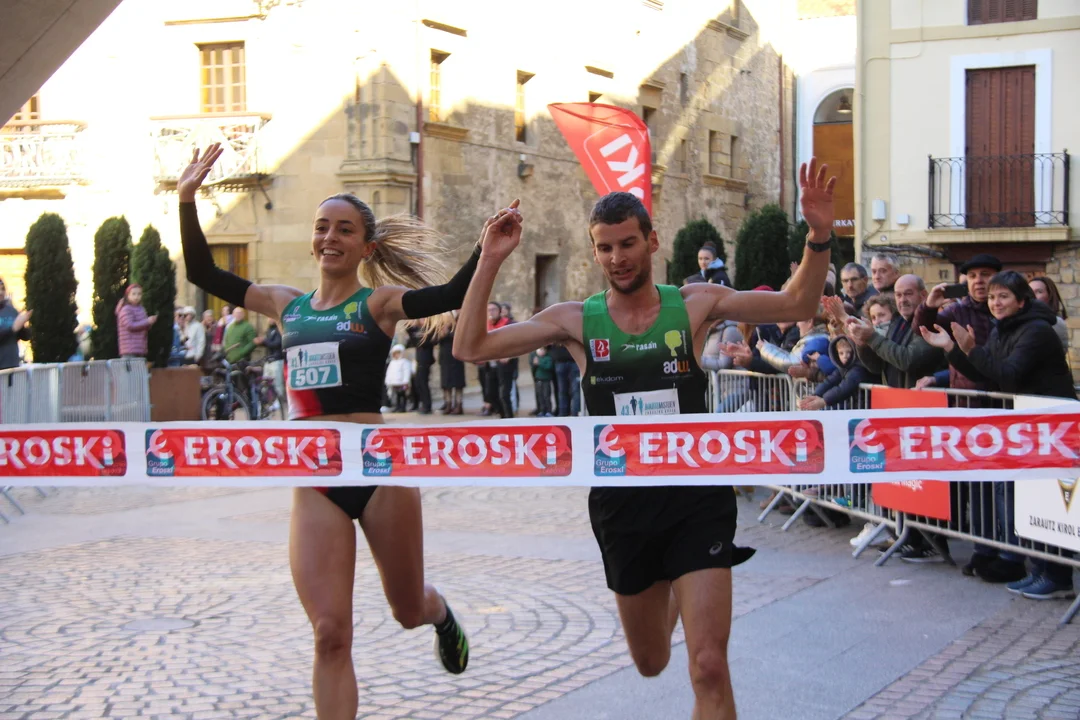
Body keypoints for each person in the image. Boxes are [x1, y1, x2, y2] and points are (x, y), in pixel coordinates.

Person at [454, 159, 836, 719]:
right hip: (623, 507)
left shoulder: (695, 303)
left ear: (651, 241)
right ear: (595, 252)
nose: (618, 257)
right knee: (652, 661)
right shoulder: (574, 320)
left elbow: (797, 305)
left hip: (695, 499)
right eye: (605, 248)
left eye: (628, 243)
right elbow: (470, 347)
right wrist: (488, 258)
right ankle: (674, 585)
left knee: (709, 665)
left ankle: (688, 577)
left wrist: (818, 234)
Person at [178, 143, 479, 718]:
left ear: (366, 247)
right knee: (329, 633)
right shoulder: (285, 306)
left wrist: (486, 249)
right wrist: (188, 200)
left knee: (406, 610)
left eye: (344, 229)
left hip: (380, 472)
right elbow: (201, 271)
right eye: (322, 227)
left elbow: (449, 297)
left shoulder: (378, 304)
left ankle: (438, 613)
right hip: (316, 478)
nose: (329, 237)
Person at [921, 271, 1077, 598]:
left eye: (1003, 296)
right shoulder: (1003, 327)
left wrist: (971, 348)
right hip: (1028, 427)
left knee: (1049, 502)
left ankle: (1057, 575)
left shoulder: (1037, 330)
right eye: (992, 297)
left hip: (1050, 428)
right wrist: (952, 349)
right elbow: (984, 376)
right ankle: (1042, 569)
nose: (995, 303)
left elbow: (1008, 375)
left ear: (1021, 301)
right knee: (1031, 501)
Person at [914, 253, 1001, 392]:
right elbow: (923, 329)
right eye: (972, 276)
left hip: (1006, 393)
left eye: (985, 274)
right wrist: (928, 307)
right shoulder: (956, 311)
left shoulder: (1009, 309)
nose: (978, 280)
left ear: (999, 277)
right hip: (967, 395)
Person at [116, 284, 157, 359]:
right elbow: (129, 325)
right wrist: (147, 321)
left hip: (140, 347)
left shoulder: (141, 309)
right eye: (133, 294)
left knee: (139, 366)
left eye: (139, 294)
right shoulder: (126, 309)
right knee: (130, 366)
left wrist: (150, 322)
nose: (136, 297)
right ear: (128, 295)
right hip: (129, 349)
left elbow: (143, 326)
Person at [437, 311, 465, 415]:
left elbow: (461, 338)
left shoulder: (458, 326)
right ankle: (448, 404)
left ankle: (459, 405)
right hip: (445, 358)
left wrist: (448, 332)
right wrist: (442, 333)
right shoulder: (440, 328)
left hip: (456, 358)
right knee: (446, 383)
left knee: (458, 383)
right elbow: (434, 340)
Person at [0, 278, 32, 370]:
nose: (1, 292)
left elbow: (26, 337)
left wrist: (23, 325)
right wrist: (13, 329)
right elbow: (13, 329)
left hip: (12, 367)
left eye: (2, 289)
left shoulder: (12, 310)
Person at [1029, 275, 1068, 348]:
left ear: (1050, 296)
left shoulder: (1056, 322)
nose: (1032, 295)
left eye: (1039, 292)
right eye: (1029, 291)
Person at [259, 317, 285, 413]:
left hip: (277, 359)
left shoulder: (279, 329)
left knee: (277, 382)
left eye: (271, 318)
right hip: (269, 360)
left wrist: (264, 341)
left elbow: (277, 343)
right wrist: (262, 342)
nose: (270, 320)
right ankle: (268, 401)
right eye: (268, 318)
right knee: (265, 382)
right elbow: (269, 344)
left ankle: (278, 402)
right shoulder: (269, 330)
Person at [384, 343, 412, 413]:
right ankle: (397, 406)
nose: (397, 355)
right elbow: (389, 373)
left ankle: (403, 407)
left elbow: (406, 372)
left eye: (398, 353)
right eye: (395, 354)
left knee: (402, 395)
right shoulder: (392, 363)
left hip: (402, 383)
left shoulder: (405, 362)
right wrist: (388, 381)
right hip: (394, 383)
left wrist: (406, 381)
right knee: (396, 396)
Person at [532, 345, 555, 416]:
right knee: (540, 396)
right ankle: (542, 411)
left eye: (542, 350)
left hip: (546, 380)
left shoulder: (548, 358)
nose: (540, 351)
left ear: (545, 351)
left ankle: (549, 411)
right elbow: (534, 370)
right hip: (539, 380)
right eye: (539, 350)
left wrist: (539, 363)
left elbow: (548, 367)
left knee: (546, 396)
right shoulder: (536, 358)